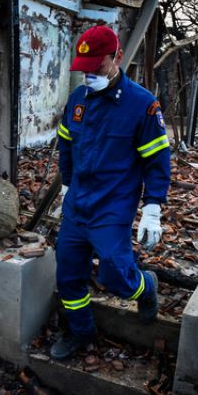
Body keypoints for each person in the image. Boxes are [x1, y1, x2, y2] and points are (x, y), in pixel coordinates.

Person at [51, 25, 171, 359]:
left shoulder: (142, 105)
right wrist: (65, 187)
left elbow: (157, 161)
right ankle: (82, 334)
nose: (88, 76)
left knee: (117, 275)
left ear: (118, 58)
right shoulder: (78, 101)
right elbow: (66, 146)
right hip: (77, 205)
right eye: (83, 70)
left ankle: (146, 286)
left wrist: (153, 207)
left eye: (96, 68)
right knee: (69, 275)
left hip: (112, 208)